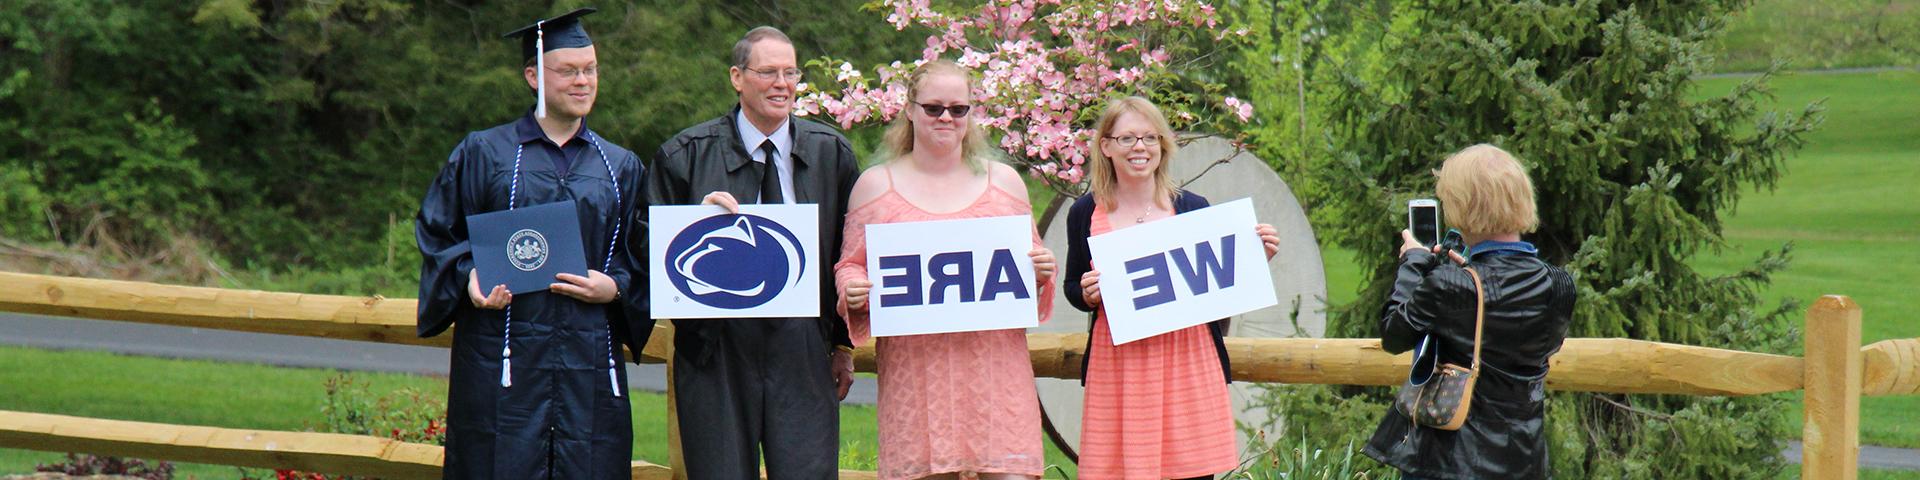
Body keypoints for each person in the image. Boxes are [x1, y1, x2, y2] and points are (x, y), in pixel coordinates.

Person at [413, 7, 647, 479]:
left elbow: (639, 257)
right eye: (568, 71)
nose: (583, 81)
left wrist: (615, 288)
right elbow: (439, 234)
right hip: (503, 364)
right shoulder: (484, 152)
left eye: (591, 69)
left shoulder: (620, 167)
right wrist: (468, 277)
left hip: (588, 368)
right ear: (534, 76)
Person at [643, 26, 860, 479]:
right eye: (768, 72)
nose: (782, 83)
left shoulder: (830, 153)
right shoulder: (684, 156)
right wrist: (692, 223)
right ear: (737, 77)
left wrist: (841, 343)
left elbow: (847, 253)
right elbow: (644, 248)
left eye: (790, 72)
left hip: (802, 348)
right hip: (715, 348)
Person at [833, 59, 1059, 480]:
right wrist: (853, 288)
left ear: (972, 114)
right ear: (909, 109)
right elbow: (849, 264)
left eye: (959, 109)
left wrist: (1042, 268)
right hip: (917, 377)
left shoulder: (1005, 183)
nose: (946, 118)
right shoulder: (875, 186)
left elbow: (1030, 269)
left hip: (996, 372)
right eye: (933, 107)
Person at [1060, 96, 1281, 480]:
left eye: (1150, 137)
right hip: (1119, 366)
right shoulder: (1085, 212)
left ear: (1163, 145)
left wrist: (1253, 258)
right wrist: (1086, 294)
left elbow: (1218, 289)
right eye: (1127, 138)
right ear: (1107, 146)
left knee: (1191, 471)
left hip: (1187, 362)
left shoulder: (1194, 209)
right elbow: (1071, 285)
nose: (1140, 148)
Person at [1362, 144, 1574, 479]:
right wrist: (1468, 271)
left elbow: (1394, 334)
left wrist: (1413, 264)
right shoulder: (1559, 284)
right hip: (1524, 458)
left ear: (1461, 206)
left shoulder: (1451, 286)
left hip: (1450, 463)